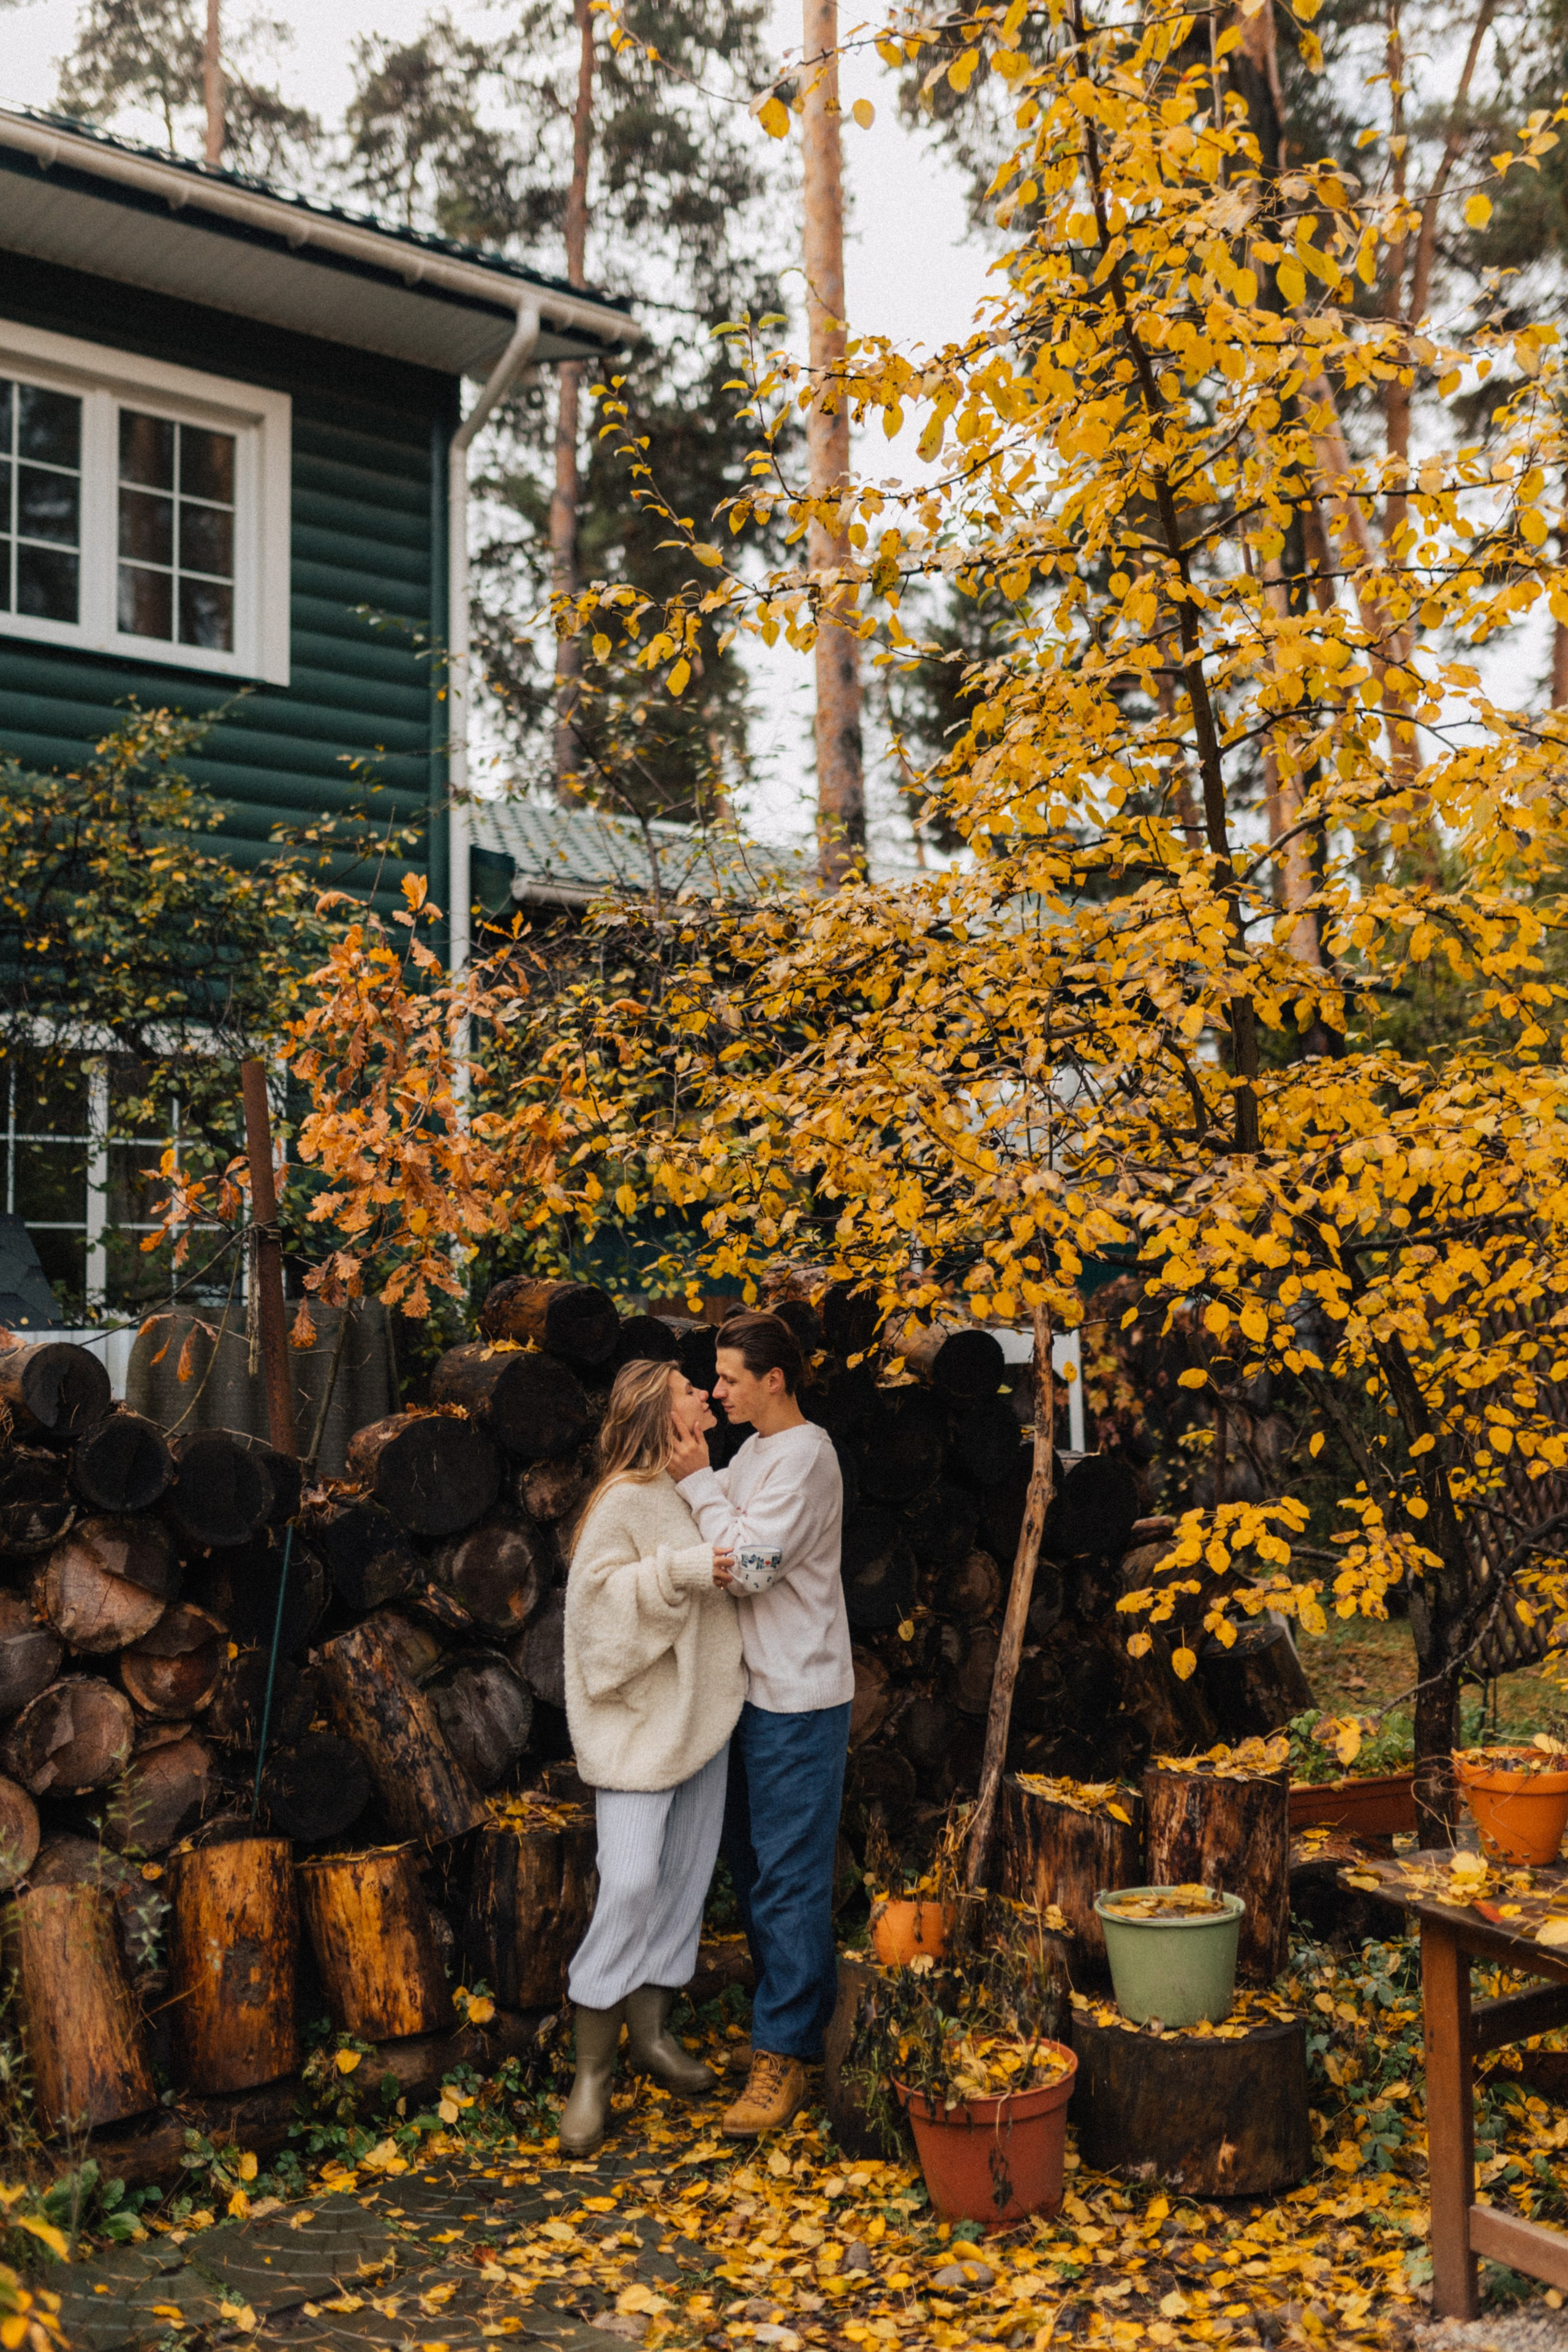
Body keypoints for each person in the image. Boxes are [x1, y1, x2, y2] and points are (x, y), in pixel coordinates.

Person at [671, 1309, 851, 2138]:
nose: (719, 1389)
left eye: (732, 1378)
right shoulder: (752, 1453)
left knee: (789, 1880)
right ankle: (789, 2032)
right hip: (750, 1695)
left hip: (798, 1698)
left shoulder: (808, 1459)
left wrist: (699, 1484)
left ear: (774, 1380)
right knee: (753, 1870)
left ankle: (789, 2057)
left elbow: (742, 1568)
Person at [559, 1357, 745, 2155]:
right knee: (630, 1880)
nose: (704, 1394)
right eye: (687, 1389)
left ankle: (654, 2037)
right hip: (637, 1728)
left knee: (681, 1885)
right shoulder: (621, 1500)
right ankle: (592, 2077)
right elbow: (594, 1614)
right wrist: (682, 1570)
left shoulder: (699, 1485)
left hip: (704, 1718)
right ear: (657, 1413)